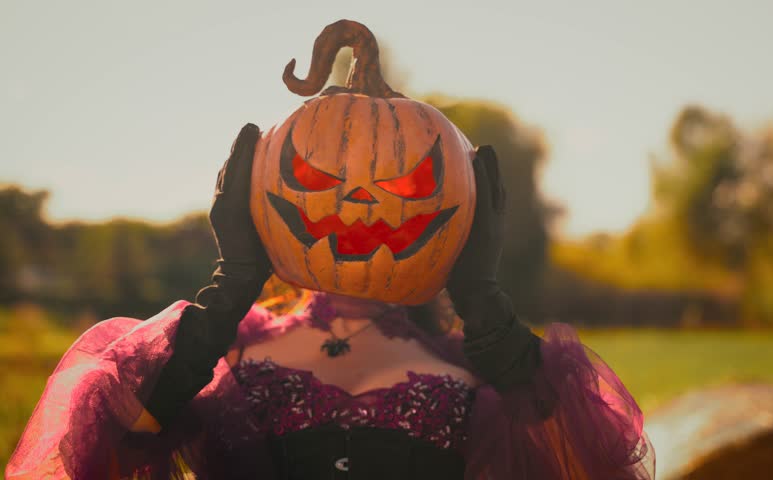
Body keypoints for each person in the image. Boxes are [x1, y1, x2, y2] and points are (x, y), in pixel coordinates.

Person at [8, 20, 654, 480]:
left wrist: (483, 302)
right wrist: (231, 286)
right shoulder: (223, 352)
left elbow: (585, 465)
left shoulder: (482, 371)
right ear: (263, 189)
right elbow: (110, 451)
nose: (365, 205)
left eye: (408, 184)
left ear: (464, 204)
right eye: (319, 181)